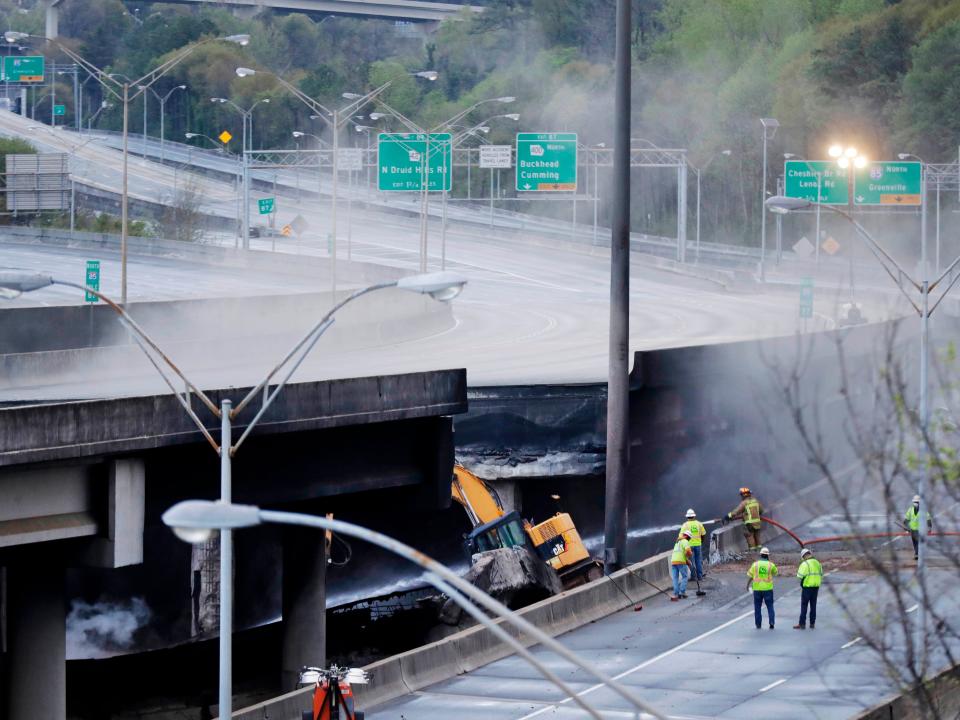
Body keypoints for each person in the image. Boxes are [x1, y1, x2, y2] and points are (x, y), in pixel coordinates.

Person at [747, 547, 778, 629]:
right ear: (768, 556)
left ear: (760, 555)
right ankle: (771, 622)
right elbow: (775, 573)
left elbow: (750, 575)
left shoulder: (755, 564)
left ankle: (758, 624)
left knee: (757, 607)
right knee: (770, 606)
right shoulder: (771, 565)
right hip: (768, 589)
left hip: (757, 589)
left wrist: (747, 585)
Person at [794, 548, 822, 630]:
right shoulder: (817, 563)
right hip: (816, 587)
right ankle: (812, 623)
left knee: (804, 605)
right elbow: (821, 573)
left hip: (807, 587)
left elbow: (799, 576)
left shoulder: (805, 564)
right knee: (813, 606)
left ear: (804, 556)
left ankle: (802, 624)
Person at [681, 508, 707, 581]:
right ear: (694, 516)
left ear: (687, 517)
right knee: (698, 561)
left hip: (689, 546)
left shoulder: (685, 525)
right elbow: (703, 534)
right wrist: (701, 541)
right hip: (698, 545)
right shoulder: (699, 524)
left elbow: (682, 536)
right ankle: (700, 576)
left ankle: (694, 577)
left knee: (691, 562)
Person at [903, 495, 932, 561]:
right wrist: (906, 527)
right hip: (912, 530)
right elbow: (906, 519)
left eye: (917, 502)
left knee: (918, 543)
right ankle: (917, 554)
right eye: (915, 502)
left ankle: (917, 554)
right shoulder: (910, 510)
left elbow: (928, 519)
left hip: (920, 530)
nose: (915, 503)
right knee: (915, 543)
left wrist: (929, 527)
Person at [670, 530, 693, 601]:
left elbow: (680, 553)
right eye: (689, 538)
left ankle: (676, 593)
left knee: (675, 578)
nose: (689, 540)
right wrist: (690, 557)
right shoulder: (685, 541)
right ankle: (682, 592)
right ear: (686, 536)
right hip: (680, 562)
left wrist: (687, 560)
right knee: (685, 576)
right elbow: (688, 551)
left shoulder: (677, 542)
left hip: (673, 561)